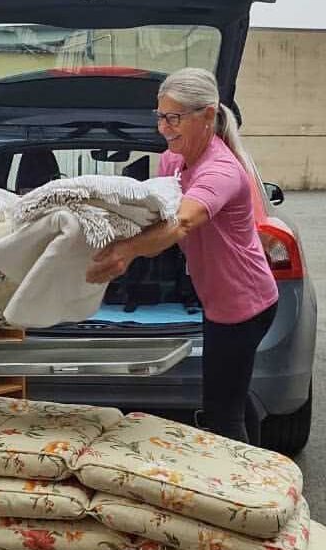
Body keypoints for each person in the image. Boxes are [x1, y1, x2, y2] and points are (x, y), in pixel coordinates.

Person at [86, 67, 279, 444]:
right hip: (219, 299)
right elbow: (153, 212)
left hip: (244, 304)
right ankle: (262, 466)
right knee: (233, 397)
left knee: (222, 411)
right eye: (160, 117)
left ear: (207, 115)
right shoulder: (173, 161)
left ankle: (237, 493)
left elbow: (182, 224)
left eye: (174, 118)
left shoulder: (222, 170)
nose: (164, 128)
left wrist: (125, 252)